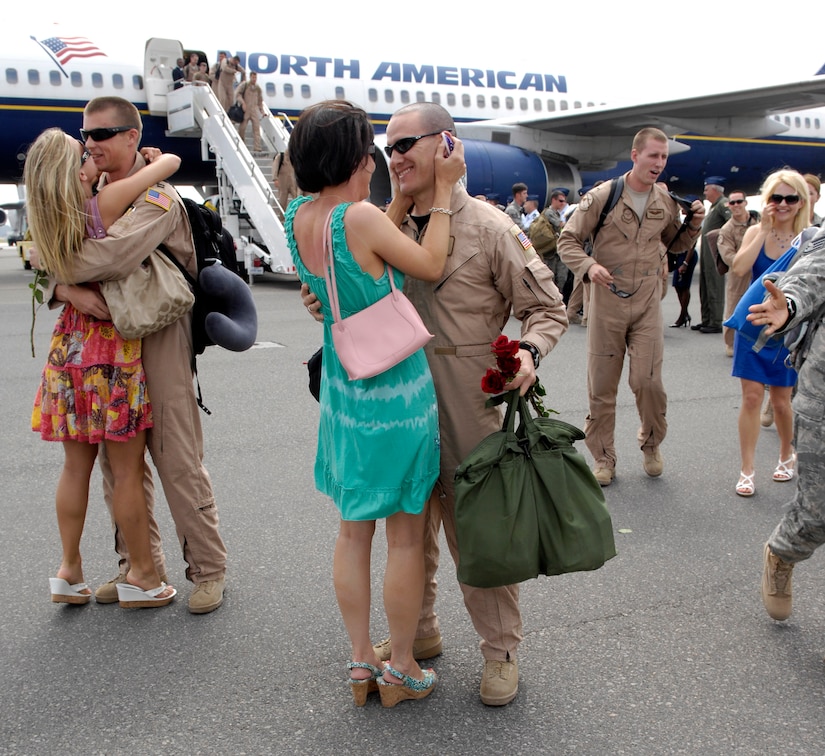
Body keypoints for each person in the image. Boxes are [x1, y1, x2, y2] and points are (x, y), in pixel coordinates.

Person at [304, 102, 568, 706]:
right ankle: (414, 635)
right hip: (396, 398)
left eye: (406, 146)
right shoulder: (375, 222)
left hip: (465, 397)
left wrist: (527, 351)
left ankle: (500, 651)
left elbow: (549, 306)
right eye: (387, 147)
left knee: (478, 534)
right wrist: (326, 300)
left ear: (445, 145)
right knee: (409, 530)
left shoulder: (491, 228)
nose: (393, 159)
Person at [288, 100, 465, 707]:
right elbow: (430, 262)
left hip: (343, 386)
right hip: (393, 391)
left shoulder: (300, 216)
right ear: (354, 157)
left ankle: (362, 661)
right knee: (407, 536)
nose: (376, 161)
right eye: (370, 151)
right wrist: (441, 193)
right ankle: (403, 666)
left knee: (352, 530)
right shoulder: (359, 217)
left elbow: (357, 253)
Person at [50, 96, 228, 613]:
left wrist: (56, 271)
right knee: (117, 461)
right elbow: (46, 247)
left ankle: (210, 569)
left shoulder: (159, 195)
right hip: (109, 342)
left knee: (176, 456)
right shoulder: (89, 193)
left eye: (103, 134)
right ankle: (137, 566)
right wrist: (59, 287)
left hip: (158, 334)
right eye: (86, 136)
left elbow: (108, 254)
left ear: (133, 136)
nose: (91, 145)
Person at [26, 128, 179, 608]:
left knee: (75, 468)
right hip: (109, 349)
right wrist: (152, 157)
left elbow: (41, 266)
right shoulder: (102, 205)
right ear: (73, 171)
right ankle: (144, 575)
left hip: (67, 349)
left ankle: (68, 571)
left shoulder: (46, 221)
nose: (92, 159)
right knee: (127, 470)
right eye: (84, 156)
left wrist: (64, 289)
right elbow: (171, 164)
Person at [558, 127, 706, 486]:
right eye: (653, 155)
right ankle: (604, 458)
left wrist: (695, 226)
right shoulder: (603, 197)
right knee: (603, 387)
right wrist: (589, 267)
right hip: (607, 304)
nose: (659, 163)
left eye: (664, 157)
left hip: (646, 304)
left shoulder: (666, 201)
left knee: (648, 381)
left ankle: (651, 443)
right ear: (635, 154)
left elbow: (673, 244)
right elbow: (568, 241)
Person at [748, 226, 825, 621]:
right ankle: (783, 551)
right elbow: (810, 275)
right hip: (822, 396)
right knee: (818, 511)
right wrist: (789, 305)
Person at [729, 169, 807, 497]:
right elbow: (739, 268)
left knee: (780, 402)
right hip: (753, 326)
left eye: (791, 198)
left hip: (787, 331)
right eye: (777, 198)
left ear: (801, 201)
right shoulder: (756, 232)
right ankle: (747, 469)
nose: (783, 204)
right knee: (750, 397)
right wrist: (761, 231)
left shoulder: (810, 237)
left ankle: (786, 454)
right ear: (768, 201)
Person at [717, 189, 759, 355]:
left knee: (760, 306)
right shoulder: (727, 230)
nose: (735, 206)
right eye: (732, 202)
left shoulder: (758, 223)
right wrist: (744, 262)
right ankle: (731, 343)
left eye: (739, 202)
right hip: (738, 274)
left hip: (759, 272)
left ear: (745, 202)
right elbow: (727, 255)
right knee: (734, 308)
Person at [692, 177, 731, 333]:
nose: (704, 193)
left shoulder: (723, 204)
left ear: (715, 190)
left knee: (715, 285)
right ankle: (706, 319)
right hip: (707, 254)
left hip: (716, 254)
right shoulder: (714, 207)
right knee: (706, 285)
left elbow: (731, 222)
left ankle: (715, 322)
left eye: (706, 189)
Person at [669, 240, 698, 328]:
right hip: (679, 255)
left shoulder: (689, 226)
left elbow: (692, 244)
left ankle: (682, 316)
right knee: (677, 285)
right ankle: (685, 313)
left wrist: (685, 263)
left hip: (687, 256)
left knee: (684, 286)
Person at [235, 72, 265, 152]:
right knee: (242, 128)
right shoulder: (245, 85)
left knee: (256, 129)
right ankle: (241, 143)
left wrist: (262, 111)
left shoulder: (258, 89)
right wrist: (243, 103)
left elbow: (260, 101)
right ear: (250, 77)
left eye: (255, 78)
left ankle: (257, 147)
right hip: (246, 109)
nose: (254, 79)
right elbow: (237, 94)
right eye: (253, 77)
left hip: (254, 110)